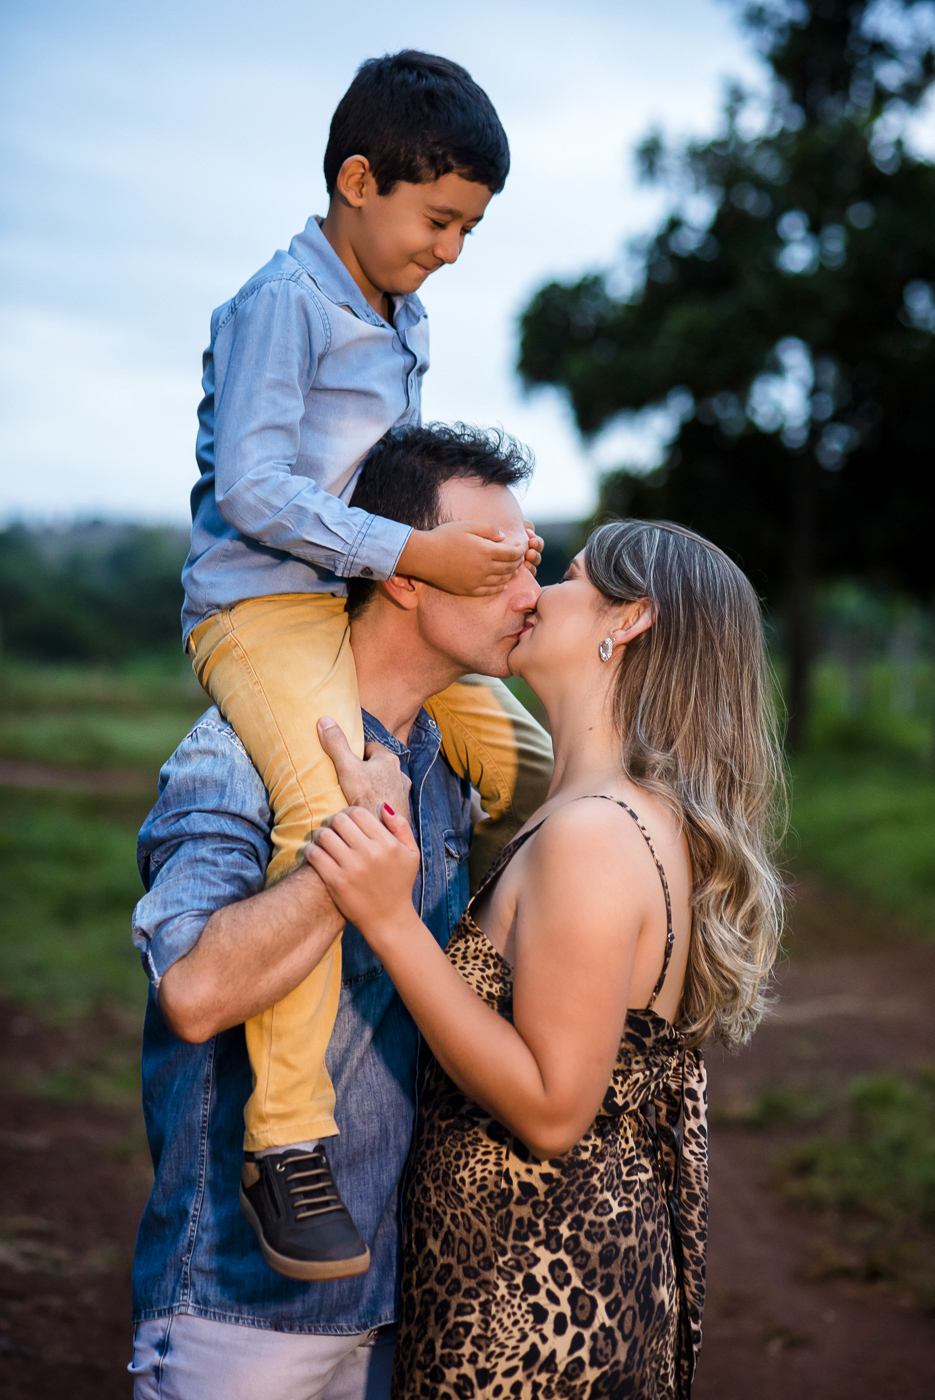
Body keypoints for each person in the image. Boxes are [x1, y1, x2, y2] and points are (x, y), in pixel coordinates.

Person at [180, 49, 552, 1279]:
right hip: (266, 610)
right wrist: (412, 550)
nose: (449, 249)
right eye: (437, 219)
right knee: (327, 803)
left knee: (521, 752)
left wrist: (435, 567)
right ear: (357, 179)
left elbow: (384, 476)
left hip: (359, 595)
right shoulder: (277, 303)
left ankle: (490, 957)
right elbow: (253, 487)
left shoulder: (407, 316)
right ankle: (284, 1136)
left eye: (468, 229)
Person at [308, 518, 786, 1399]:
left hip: (533, 1299)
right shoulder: (598, 807)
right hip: (530, 1271)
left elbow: (553, 1108)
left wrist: (389, 917)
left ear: (628, 620)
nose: (534, 593)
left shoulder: (593, 836)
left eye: (564, 577)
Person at [129, 425, 551, 1400]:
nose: (529, 594)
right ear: (401, 571)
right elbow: (193, 991)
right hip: (240, 1312)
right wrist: (349, 855)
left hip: (402, 1296)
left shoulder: (454, 757)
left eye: (527, 561)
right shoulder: (239, 753)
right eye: (497, 563)